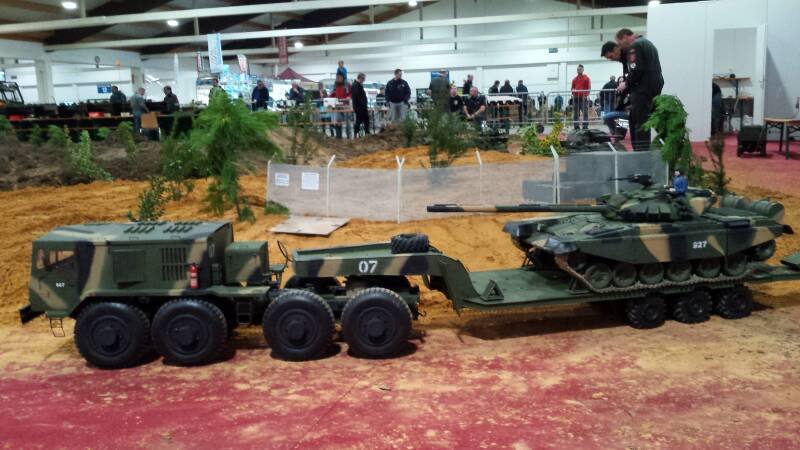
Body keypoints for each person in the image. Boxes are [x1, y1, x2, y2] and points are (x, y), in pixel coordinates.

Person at [616, 28, 664, 151]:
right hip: (654, 87)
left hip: (642, 89)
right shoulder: (648, 43)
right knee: (646, 120)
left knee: (641, 123)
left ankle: (642, 155)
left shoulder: (635, 46)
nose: (621, 46)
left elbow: (636, 69)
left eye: (620, 43)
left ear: (625, 37)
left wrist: (626, 83)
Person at [328, 74, 350, 139]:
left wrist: (349, 97)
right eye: (337, 77)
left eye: (339, 77)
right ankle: (338, 137)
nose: (338, 79)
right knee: (338, 122)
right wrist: (329, 99)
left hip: (346, 106)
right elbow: (332, 94)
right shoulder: (335, 85)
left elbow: (350, 93)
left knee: (347, 122)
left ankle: (349, 137)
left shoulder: (347, 84)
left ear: (343, 78)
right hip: (337, 106)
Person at [571, 64, 591, 130]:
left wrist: (586, 95)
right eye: (577, 69)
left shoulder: (586, 78)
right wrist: (573, 91)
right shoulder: (574, 79)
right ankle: (576, 126)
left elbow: (588, 88)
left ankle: (585, 126)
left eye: (579, 69)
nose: (578, 70)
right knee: (576, 113)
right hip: (576, 98)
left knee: (585, 113)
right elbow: (572, 88)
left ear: (583, 70)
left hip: (583, 98)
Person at [351, 73, 370, 137]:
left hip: (362, 107)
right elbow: (357, 97)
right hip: (359, 107)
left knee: (365, 120)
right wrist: (362, 105)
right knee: (359, 121)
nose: (364, 80)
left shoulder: (358, 85)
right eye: (363, 79)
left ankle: (366, 133)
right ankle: (357, 134)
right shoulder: (356, 85)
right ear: (360, 78)